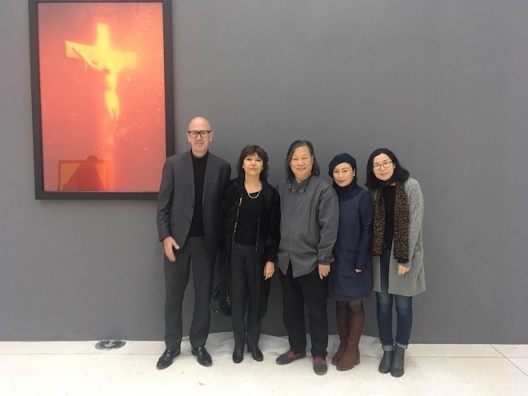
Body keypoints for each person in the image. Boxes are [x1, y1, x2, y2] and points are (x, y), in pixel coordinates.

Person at [156, 117, 231, 369]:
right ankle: (172, 346)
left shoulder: (222, 167)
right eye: (194, 132)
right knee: (173, 297)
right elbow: (163, 204)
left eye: (203, 132)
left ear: (211, 135)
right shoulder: (173, 164)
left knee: (203, 297)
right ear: (187, 136)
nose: (199, 137)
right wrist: (165, 237)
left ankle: (199, 343)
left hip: (206, 244)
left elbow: (222, 208)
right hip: (176, 243)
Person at [275, 140, 339, 375]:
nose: (300, 162)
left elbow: (329, 227)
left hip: (313, 263)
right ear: (289, 162)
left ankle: (319, 353)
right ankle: (297, 348)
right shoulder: (282, 188)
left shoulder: (323, 190)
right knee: (289, 309)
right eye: (295, 158)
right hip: (285, 261)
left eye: (304, 157)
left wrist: (324, 259)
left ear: (313, 160)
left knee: (317, 311)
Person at [365, 148, 425, 378]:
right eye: (376, 165)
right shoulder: (375, 192)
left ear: (394, 163)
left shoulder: (411, 186)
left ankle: (400, 351)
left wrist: (405, 257)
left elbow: (415, 223)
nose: (381, 168)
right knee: (382, 304)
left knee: (403, 305)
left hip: (402, 255)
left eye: (385, 163)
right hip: (380, 254)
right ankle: (387, 350)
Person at [220, 145, 280, 364]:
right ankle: (239, 344)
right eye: (249, 159)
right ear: (242, 163)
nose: (253, 163)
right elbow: (221, 222)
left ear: (263, 165)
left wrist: (270, 259)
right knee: (237, 300)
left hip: (258, 255)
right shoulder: (231, 189)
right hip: (234, 253)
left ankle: (253, 343)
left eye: (258, 160)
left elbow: (274, 230)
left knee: (256, 301)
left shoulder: (270, 194)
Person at [327, 153, 373, 371]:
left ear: (354, 171)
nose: (340, 175)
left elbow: (367, 229)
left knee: (355, 302)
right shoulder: (329, 194)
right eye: (336, 171)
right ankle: (344, 344)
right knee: (339, 301)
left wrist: (361, 259)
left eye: (345, 170)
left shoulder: (362, 197)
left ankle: (353, 349)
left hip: (355, 258)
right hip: (335, 259)